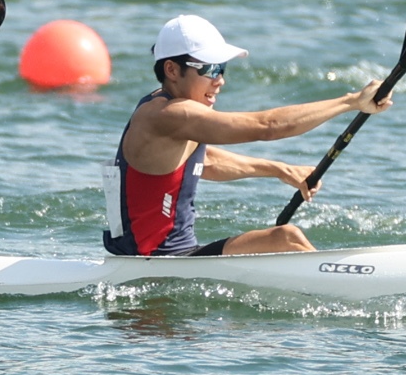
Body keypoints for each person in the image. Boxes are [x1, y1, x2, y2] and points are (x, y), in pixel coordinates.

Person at [102, 14, 389, 257]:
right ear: (172, 70)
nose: (220, 80)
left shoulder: (164, 109)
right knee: (287, 238)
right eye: (211, 69)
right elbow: (268, 126)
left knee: (284, 238)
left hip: (177, 255)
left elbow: (206, 161)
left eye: (222, 69)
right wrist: (351, 102)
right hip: (155, 261)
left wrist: (278, 169)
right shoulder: (169, 115)